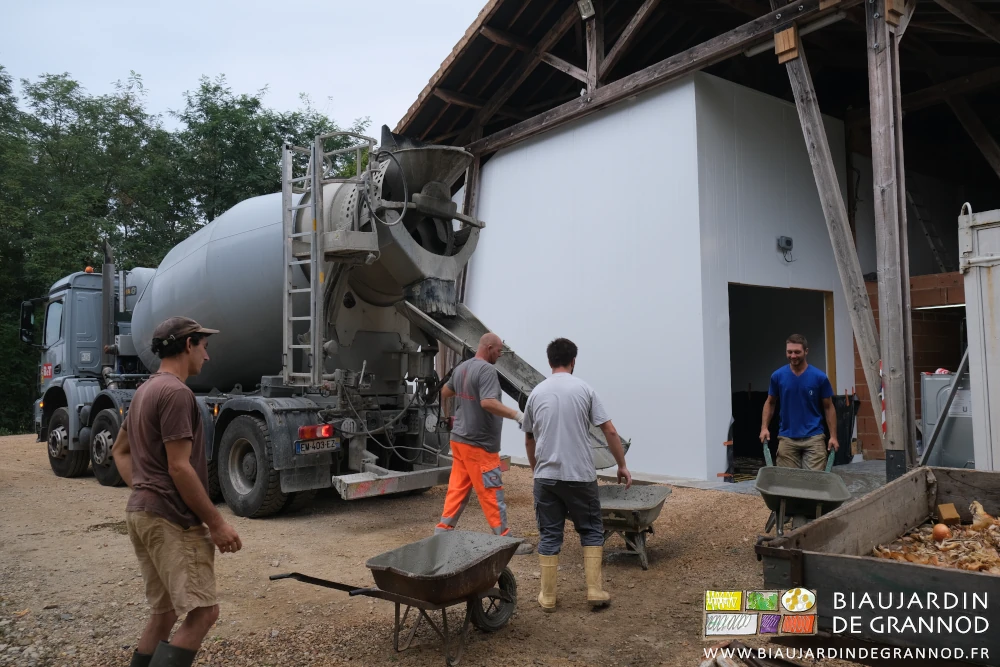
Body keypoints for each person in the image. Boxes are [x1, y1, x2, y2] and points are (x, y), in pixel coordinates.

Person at [111, 317, 242, 667]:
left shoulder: (145, 391)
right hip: (171, 519)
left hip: (142, 513)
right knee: (204, 612)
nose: (207, 357)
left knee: (165, 613)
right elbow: (179, 466)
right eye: (204, 347)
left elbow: (119, 451)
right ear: (188, 345)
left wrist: (144, 489)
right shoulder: (176, 393)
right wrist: (216, 523)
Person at [521, 337, 631, 611]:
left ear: (549, 362)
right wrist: (622, 465)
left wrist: (537, 471)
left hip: (547, 476)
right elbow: (610, 431)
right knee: (591, 529)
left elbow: (529, 439)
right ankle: (594, 590)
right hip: (581, 475)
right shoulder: (585, 390)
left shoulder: (536, 393)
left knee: (549, 534)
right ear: (573, 361)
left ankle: (547, 597)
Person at [436, 332, 533, 555]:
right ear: (488, 347)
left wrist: (465, 393)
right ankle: (504, 541)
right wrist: (517, 416)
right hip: (479, 443)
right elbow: (488, 402)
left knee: (457, 488)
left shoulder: (462, 368)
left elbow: (445, 391)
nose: (499, 355)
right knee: (491, 490)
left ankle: (442, 532)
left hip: (460, 440)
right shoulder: (488, 370)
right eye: (499, 351)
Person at [760, 333, 839, 471]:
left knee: (813, 482)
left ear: (806, 351)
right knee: (788, 483)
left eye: (797, 352)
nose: (793, 356)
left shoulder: (819, 377)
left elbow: (828, 407)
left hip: (814, 437)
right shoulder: (778, 376)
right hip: (787, 438)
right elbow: (770, 402)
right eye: (789, 352)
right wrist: (764, 428)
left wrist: (833, 436)